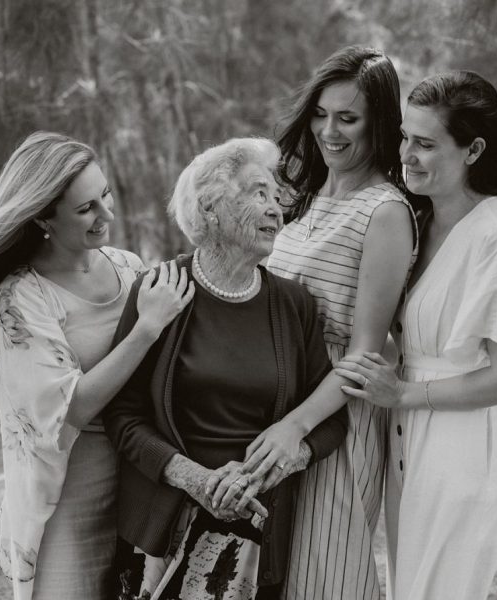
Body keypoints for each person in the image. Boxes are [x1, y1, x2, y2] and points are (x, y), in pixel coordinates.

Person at [0, 132, 194, 599]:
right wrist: (147, 328)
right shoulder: (22, 297)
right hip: (71, 498)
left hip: (140, 484)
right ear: (44, 217)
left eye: (104, 195)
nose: (106, 214)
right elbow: (70, 409)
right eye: (86, 209)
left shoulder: (127, 268)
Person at [103, 137, 349, 600]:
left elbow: (332, 420)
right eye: (259, 193)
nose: (276, 209)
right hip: (163, 530)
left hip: (254, 536)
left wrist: (282, 462)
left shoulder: (294, 305)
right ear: (210, 207)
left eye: (278, 198)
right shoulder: (158, 290)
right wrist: (195, 478)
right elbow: (121, 416)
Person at [335, 71, 497, 600]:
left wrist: (403, 393)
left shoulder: (496, 234)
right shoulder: (417, 217)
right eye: (405, 137)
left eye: (425, 144)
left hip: (468, 448)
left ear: (473, 150)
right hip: (410, 435)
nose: (407, 154)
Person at [245, 46, 420, 599]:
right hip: (270, 414)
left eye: (348, 118)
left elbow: (366, 353)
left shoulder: (385, 212)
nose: (329, 131)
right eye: (321, 114)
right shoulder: (299, 199)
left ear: (380, 123)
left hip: (334, 422)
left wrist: (296, 427)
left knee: (327, 579)